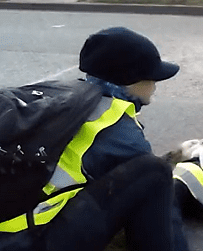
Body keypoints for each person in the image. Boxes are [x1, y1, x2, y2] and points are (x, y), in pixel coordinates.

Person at [0, 27, 189, 251]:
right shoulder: (117, 126)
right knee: (156, 172)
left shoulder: (62, 93)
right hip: (28, 240)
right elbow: (150, 194)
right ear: (131, 80)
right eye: (153, 77)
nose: (155, 85)